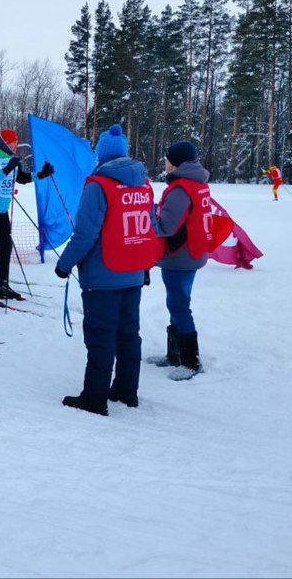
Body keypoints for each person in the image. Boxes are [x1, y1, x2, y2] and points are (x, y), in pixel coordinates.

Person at [55, 124, 157, 416]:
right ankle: (126, 390)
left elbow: (85, 234)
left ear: (101, 155)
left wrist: (65, 264)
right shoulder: (143, 183)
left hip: (103, 275)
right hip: (133, 271)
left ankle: (94, 397)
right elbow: (149, 227)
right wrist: (145, 264)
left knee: (101, 336)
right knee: (128, 334)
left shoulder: (98, 185)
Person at [151, 140, 213, 380]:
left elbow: (165, 226)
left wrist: (150, 211)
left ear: (176, 162)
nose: (165, 162)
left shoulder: (181, 189)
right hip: (191, 253)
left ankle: (190, 361)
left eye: (167, 159)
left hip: (180, 256)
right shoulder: (196, 183)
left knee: (178, 305)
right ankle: (174, 355)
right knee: (176, 303)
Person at [0, 129, 53, 304]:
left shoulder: (13, 160)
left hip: (1, 209)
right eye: (12, 143)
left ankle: (3, 285)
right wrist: (7, 168)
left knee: (6, 245)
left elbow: (22, 178)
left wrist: (42, 173)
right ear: (4, 143)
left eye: (16, 143)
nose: (15, 146)